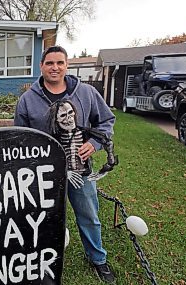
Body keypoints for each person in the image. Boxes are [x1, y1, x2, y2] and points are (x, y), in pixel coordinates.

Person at [14, 46, 117, 283]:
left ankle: (98, 259)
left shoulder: (87, 93)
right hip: (42, 173)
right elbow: (19, 136)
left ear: (66, 65)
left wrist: (94, 143)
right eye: (50, 63)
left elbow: (106, 121)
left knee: (88, 214)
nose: (55, 67)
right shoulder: (28, 99)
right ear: (41, 66)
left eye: (60, 63)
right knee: (40, 217)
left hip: (79, 168)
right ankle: (39, 258)